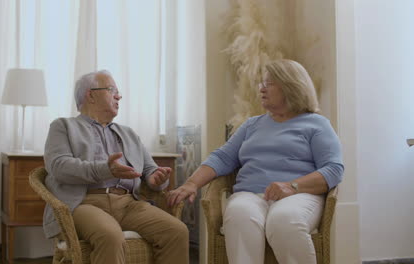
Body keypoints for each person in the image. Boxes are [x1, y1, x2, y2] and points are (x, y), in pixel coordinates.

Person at [168, 59, 344, 264]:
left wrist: (292, 186)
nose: (261, 88)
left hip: (300, 195)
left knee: (284, 220)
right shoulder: (252, 124)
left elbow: (333, 169)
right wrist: (192, 183)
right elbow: (222, 157)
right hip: (250, 194)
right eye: (262, 83)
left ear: (290, 85)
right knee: (239, 214)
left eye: (268, 83)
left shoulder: (316, 124)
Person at [43, 70, 189, 264]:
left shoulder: (128, 133)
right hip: (84, 203)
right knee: (110, 235)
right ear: (91, 94)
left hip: (128, 204)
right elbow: (59, 166)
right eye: (112, 90)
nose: (119, 96)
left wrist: (157, 179)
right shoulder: (63, 126)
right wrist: (106, 169)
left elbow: (149, 170)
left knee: (176, 231)